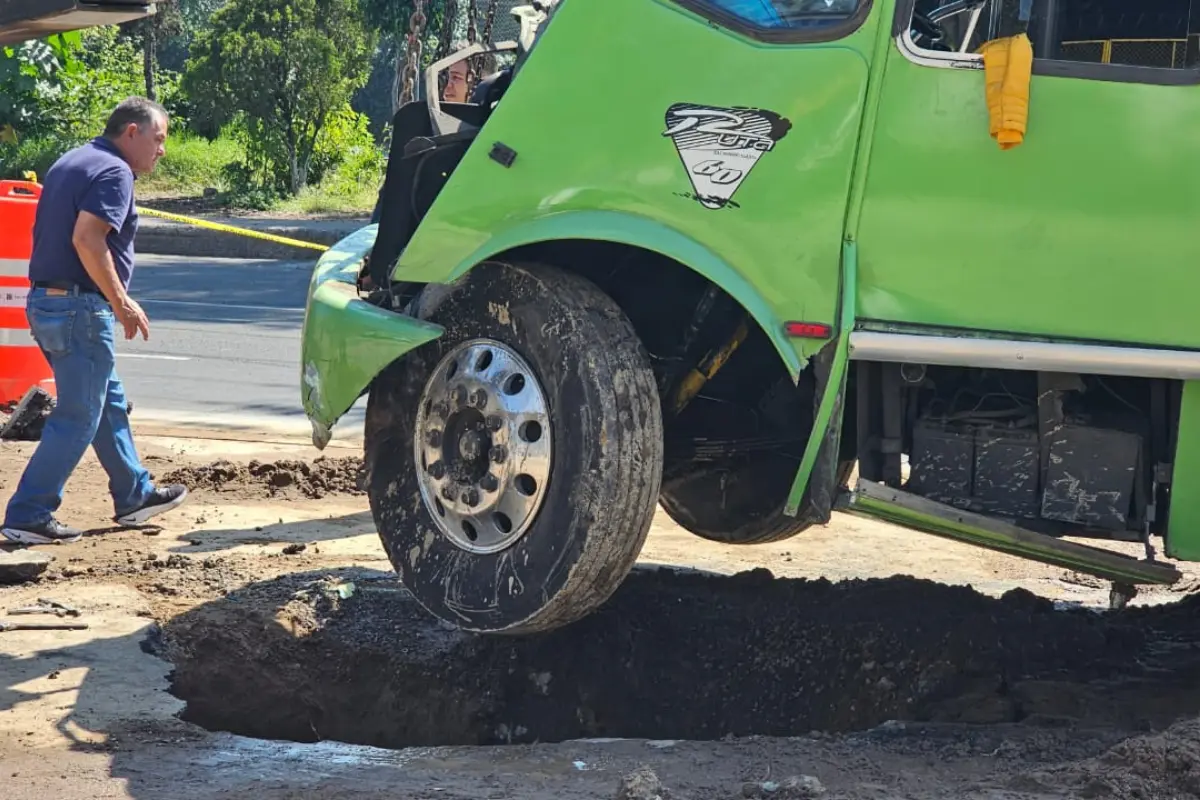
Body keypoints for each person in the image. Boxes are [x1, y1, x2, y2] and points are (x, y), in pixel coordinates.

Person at [1, 97, 188, 545]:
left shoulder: (73, 159)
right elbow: (87, 239)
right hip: (79, 309)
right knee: (79, 415)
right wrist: (121, 301)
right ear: (131, 132)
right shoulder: (115, 171)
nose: (161, 150)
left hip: (51, 302)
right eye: (158, 139)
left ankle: (134, 494)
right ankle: (29, 513)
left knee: (108, 404)